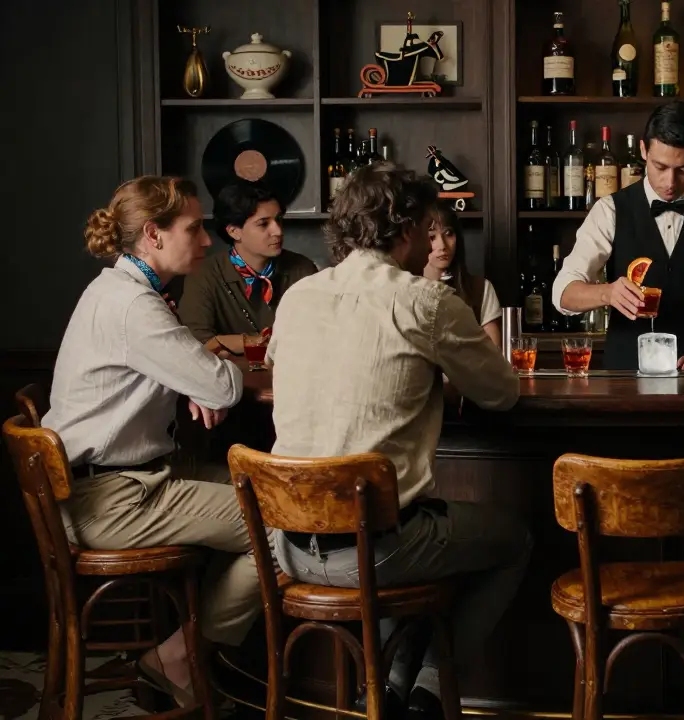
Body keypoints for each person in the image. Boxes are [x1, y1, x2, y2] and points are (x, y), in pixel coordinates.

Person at [267, 162, 529, 720]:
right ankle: (429, 688)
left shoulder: (298, 296)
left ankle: (384, 689)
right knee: (513, 541)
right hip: (377, 550)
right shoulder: (426, 301)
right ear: (407, 229)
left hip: (286, 546)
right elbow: (502, 393)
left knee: (411, 529)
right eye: (428, 228)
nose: (434, 241)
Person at [42, 176, 254, 706]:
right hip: (112, 499)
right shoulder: (135, 306)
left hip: (108, 485)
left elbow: (191, 376)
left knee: (262, 489)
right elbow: (223, 386)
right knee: (281, 524)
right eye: (194, 228)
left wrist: (189, 380)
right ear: (153, 235)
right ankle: (180, 656)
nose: (206, 240)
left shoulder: (116, 291)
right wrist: (205, 378)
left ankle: (203, 659)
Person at [552, 101, 684, 371]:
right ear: (643, 150)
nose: (670, 182)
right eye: (660, 167)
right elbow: (563, 292)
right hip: (624, 374)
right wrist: (607, 293)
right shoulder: (610, 210)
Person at [177, 181, 318, 355]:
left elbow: (316, 337)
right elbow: (197, 344)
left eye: (278, 220)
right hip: (228, 372)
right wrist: (256, 344)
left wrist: (229, 343)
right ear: (234, 232)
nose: (278, 231)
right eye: (263, 224)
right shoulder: (204, 274)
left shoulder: (303, 270)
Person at [423, 201, 501, 346]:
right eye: (432, 237)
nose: (442, 246)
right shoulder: (405, 290)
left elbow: (494, 353)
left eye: (448, 234)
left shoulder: (480, 289)